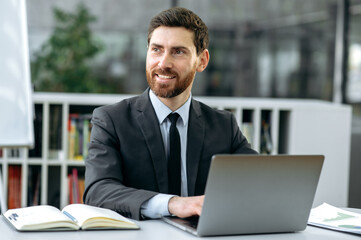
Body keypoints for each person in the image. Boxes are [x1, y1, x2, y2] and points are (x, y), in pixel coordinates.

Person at [83, 7, 257, 221]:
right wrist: (174, 204)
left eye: (178, 52)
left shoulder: (223, 125)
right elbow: (98, 190)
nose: (163, 63)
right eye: (156, 50)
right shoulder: (111, 120)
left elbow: (257, 180)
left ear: (202, 61)